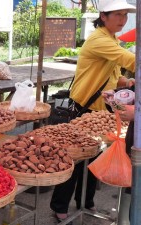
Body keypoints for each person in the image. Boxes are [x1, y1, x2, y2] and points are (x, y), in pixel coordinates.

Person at [50, 0, 136, 222]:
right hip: (84, 110)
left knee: (95, 159)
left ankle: (86, 203)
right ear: (104, 16)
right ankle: (59, 205)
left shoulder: (112, 40)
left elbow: (114, 73)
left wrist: (125, 82)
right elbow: (131, 60)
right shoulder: (99, 40)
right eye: (118, 14)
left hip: (103, 110)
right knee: (76, 160)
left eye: (125, 14)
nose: (123, 20)